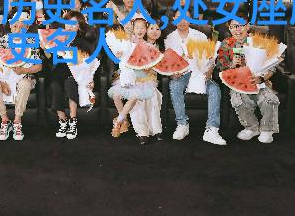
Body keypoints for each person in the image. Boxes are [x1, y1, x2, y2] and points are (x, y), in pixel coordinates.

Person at [164, 11, 226, 145]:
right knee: (174, 86)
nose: (182, 21)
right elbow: (169, 61)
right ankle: (182, 124)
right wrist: (173, 73)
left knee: (215, 89)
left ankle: (212, 129)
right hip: (183, 74)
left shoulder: (200, 36)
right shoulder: (169, 38)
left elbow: (210, 57)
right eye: (179, 17)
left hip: (201, 72)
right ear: (174, 19)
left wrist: (210, 70)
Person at [217, 16, 280, 143]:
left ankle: (267, 129)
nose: (237, 29)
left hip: (259, 80)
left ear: (248, 26)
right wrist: (232, 65)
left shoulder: (259, 42)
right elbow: (220, 67)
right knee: (238, 101)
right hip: (238, 83)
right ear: (230, 29)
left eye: (241, 25)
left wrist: (262, 78)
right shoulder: (226, 44)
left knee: (270, 99)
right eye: (234, 26)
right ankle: (252, 128)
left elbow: (273, 66)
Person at [0, 13, 41, 141]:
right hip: (3, 78)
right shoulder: (1, 41)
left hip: (24, 77)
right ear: (10, 26)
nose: (18, 30)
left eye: (22, 27)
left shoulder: (32, 42)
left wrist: (23, 70)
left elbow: (39, 66)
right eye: (15, 26)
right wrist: (2, 83)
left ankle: (17, 121)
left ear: (27, 28)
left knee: (25, 84)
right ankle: (5, 120)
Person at [44, 11, 97, 140]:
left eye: (74, 23)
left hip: (74, 74)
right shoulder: (57, 39)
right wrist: (45, 48)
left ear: (79, 26)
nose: (70, 26)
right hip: (59, 71)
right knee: (54, 86)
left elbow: (88, 64)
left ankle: (73, 121)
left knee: (70, 83)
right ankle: (63, 122)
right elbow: (51, 58)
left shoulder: (83, 43)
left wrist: (91, 80)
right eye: (68, 23)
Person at [108, 17, 159, 142]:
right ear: (133, 29)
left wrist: (148, 67)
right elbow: (120, 53)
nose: (140, 30)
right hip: (128, 75)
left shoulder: (148, 46)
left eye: (142, 27)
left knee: (135, 96)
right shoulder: (127, 42)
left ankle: (119, 120)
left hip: (143, 78)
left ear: (146, 29)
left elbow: (151, 64)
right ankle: (124, 120)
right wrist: (118, 53)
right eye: (137, 27)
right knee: (116, 95)